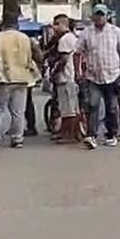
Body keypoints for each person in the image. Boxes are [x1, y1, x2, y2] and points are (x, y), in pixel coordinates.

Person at [0, 12, 42, 149]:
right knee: (18, 111)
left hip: (2, 78)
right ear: (17, 24)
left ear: (3, 24)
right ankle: (17, 139)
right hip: (22, 78)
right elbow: (38, 55)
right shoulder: (26, 38)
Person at [78, 4, 120, 149]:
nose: (99, 18)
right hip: (93, 75)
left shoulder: (115, 31)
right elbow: (78, 52)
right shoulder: (87, 32)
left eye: (102, 15)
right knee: (93, 105)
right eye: (97, 15)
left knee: (112, 106)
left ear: (107, 16)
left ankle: (111, 134)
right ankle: (91, 135)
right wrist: (78, 72)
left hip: (112, 74)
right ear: (93, 17)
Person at [48, 14, 83, 144]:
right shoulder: (71, 38)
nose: (54, 27)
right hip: (71, 77)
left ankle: (70, 135)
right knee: (69, 107)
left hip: (66, 77)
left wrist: (54, 72)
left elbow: (63, 59)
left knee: (68, 108)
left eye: (57, 24)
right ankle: (71, 133)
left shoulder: (65, 40)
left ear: (65, 25)